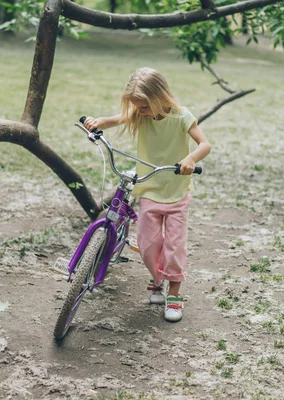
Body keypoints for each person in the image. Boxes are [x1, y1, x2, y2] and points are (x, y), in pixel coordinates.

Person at [83, 67, 212, 322]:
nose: (138, 112)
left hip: (176, 192)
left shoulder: (182, 117)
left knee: (174, 247)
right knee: (147, 245)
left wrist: (190, 158)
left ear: (158, 98)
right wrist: (99, 122)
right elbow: (118, 119)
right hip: (150, 189)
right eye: (137, 107)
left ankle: (174, 293)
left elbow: (205, 144)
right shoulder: (141, 116)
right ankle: (157, 278)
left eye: (143, 107)